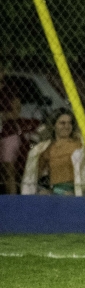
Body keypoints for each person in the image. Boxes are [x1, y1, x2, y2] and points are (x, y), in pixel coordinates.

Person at [0, 66, 22, 195]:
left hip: (8, 133)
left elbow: (16, 112)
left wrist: (3, 116)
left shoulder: (10, 90)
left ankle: (12, 198)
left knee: (8, 169)